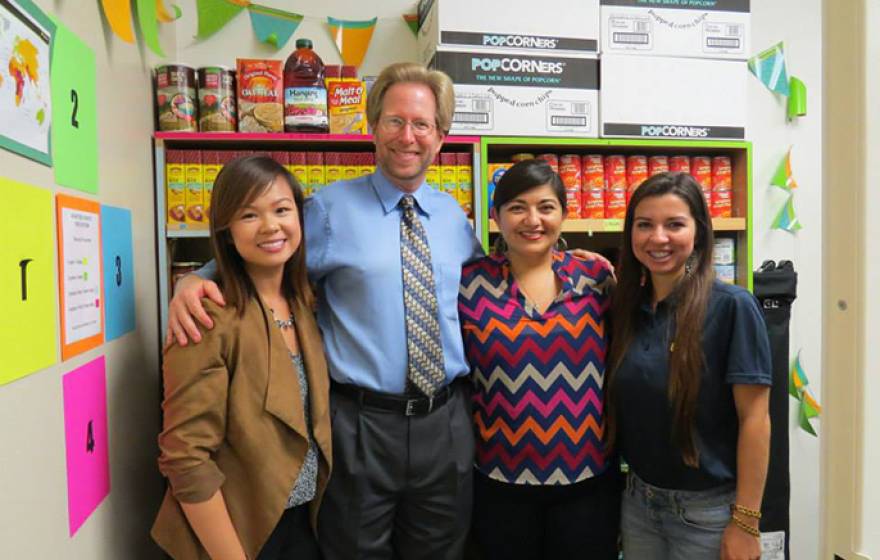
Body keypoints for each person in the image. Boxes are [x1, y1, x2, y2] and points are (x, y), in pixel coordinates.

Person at [167, 63, 483, 560]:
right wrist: (193, 280)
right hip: (359, 424)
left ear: (441, 136)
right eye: (395, 121)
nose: (408, 136)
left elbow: (497, 281)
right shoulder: (328, 210)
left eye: (422, 124)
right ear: (373, 126)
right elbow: (261, 248)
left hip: (445, 421)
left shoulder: (454, 219)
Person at [150, 155, 332, 560]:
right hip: (234, 533)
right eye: (249, 215)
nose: (271, 227)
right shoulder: (206, 318)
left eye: (282, 210)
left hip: (299, 522)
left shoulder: (303, 304)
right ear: (228, 232)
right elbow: (186, 458)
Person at [604, 171, 771, 560]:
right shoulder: (629, 309)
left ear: (699, 232)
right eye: (644, 225)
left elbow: (756, 420)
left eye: (674, 224)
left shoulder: (731, 307)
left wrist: (746, 523)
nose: (657, 238)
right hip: (639, 504)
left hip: (708, 514)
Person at [458, 159, 620, 559]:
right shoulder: (468, 282)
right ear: (496, 216)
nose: (533, 220)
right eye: (517, 207)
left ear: (564, 215)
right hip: (499, 484)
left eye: (546, 207)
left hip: (588, 483)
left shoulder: (595, 277)